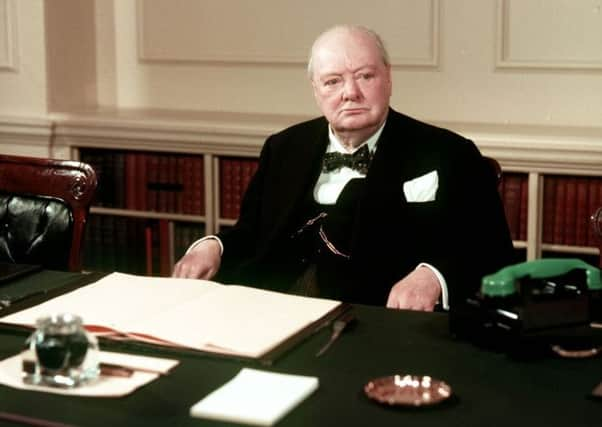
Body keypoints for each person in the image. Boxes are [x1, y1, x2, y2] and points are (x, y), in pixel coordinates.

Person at [173, 25, 515, 311]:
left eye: (365, 76)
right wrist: (211, 245)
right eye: (333, 81)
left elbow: (491, 251)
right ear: (316, 90)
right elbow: (252, 234)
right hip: (270, 313)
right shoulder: (284, 147)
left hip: (376, 322)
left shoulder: (449, 153)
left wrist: (433, 275)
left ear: (388, 79)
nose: (350, 93)